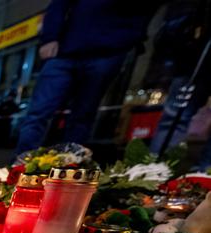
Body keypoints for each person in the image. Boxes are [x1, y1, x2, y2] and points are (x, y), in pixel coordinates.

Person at [15, 0, 158, 155]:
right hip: (66, 50)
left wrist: (131, 38)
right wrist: (49, 37)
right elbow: (59, 4)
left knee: (83, 115)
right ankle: (21, 164)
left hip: (109, 51)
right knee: (39, 112)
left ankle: (68, 168)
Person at [149, 0, 211, 170]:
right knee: (175, 117)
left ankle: (204, 178)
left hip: (193, 51)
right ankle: (154, 173)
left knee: (174, 118)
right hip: (195, 52)